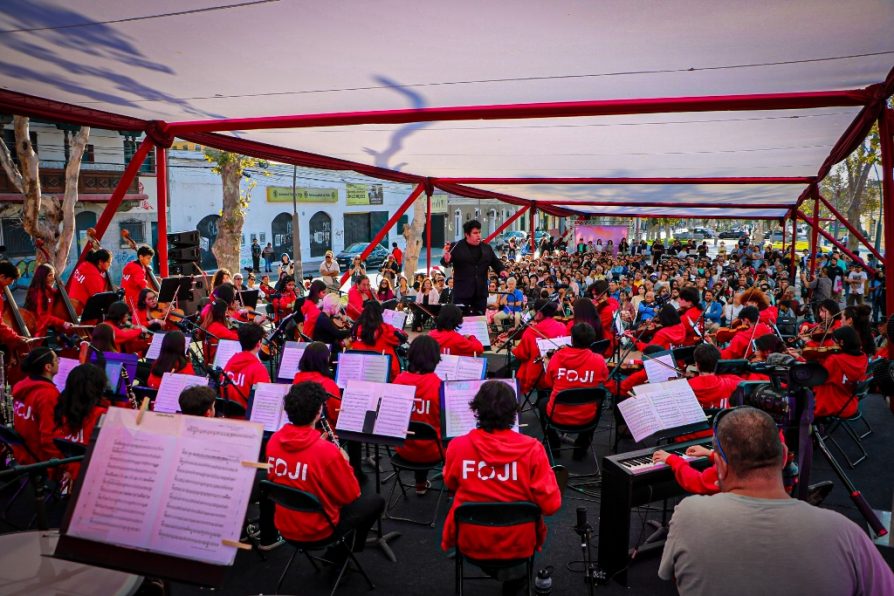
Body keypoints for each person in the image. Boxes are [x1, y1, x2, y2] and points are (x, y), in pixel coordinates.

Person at [659, 407, 894, 595]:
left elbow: (669, 575)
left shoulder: (688, 514)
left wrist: (676, 461)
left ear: (720, 465)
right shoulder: (846, 533)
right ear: (784, 457)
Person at [441, 381, 561, 594]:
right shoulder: (534, 450)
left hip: (471, 538)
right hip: (518, 542)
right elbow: (551, 505)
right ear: (513, 413)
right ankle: (513, 580)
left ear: (476, 410)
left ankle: (504, 573)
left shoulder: (457, 446)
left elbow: (450, 484)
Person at [266, 381, 385, 560]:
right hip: (318, 530)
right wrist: (344, 461)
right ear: (319, 412)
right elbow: (351, 495)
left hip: (285, 525)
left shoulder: (274, 441)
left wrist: (318, 445)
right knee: (376, 501)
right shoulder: (327, 453)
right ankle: (341, 554)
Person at [542, 323, 608, 459]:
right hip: (587, 417)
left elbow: (548, 383)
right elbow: (604, 378)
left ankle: (554, 447)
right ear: (592, 340)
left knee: (542, 402)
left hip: (557, 415)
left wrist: (548, 364)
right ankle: (580, 450)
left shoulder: (557, 357)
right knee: (596, 405)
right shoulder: (599, 360)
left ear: (571, 339)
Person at [41, 363, 108, 483]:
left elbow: (50, 442)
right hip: (87, 480)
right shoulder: (102, 415)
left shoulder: (61, 407)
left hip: (58, 472)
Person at [393, 336, 443, 494]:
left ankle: (420, 483)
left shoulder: (398, 381)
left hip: (403, 448)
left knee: (418, 426)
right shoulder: (439, 386)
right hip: (434, 451)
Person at [440, 220, 505, 315]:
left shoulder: (487, 248)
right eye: (475, 233)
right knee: (461, 321)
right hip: (462, 293)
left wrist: (502, 270)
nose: (478, 235)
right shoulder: (456, 246)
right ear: (467, 234)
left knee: (479, 320)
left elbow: (495, 262)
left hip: (480, 294)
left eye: (479, 232)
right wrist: (446, 260)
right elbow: (445, 262)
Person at [11, 347, 60, 464]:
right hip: (38, 462)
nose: (58, 362)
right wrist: (61, 465)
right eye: (56, 360)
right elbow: (48, 438)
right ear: (48, 367)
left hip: (21, 455)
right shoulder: (48, 395)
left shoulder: (21, 385)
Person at [512, 299, 567, 395]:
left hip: (538, 376)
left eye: (534, 311)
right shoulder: (562, 326)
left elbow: (522, 355)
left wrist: (512, 348)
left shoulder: (531, 331)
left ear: (540, 313)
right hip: (559, 372)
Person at [813, 326, 868, 419]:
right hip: (850, 405)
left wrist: (800, 358)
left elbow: (817, 379)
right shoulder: (863, 357)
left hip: (832, 406)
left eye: (834, 341)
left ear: (842, 342)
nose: (832, 344)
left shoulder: (834, 360)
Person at [222, 322, 270, 412]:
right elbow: (262, 401)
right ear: (259, 343)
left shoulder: (229, 362)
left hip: (227, 415)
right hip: (247, 419)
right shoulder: (259, 369)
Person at [351, 300, 405, 381]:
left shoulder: (356, 328)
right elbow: (400, 338)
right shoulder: (384, 329)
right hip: (384, 371)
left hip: (360, 370)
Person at [292, 342, 341, 423]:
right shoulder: (329, 384)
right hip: (321, 432)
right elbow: (337, 415)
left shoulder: (296, 380)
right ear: (325, 360)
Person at [24, 262, 74, 337]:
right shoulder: (39, 292)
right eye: (50, 275)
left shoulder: (48, 290)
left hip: (42, 329)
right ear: (42, 277)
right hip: (36, 331)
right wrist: (63, 323)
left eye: (53, 275)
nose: (53, 278)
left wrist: (62, 289)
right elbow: (43, 316)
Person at [687, 343, 742, 409]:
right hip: (724, 418)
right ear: (718, 363)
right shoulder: (732, 382)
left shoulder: (687, 386)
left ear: (697, 365)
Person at [67, 249, 112, 315]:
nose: (110, 264)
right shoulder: (94, 275)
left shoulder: (84, 265)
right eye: (108, 262)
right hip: (79, 311)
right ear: (100, 262)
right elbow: (100, 299)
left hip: (70, 305)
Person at [121, 245, 155, 309]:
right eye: (148, 258)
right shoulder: (138, 269)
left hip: (125, 299)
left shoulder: (130, 264)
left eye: (151, 258)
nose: (150, 261)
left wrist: (146, 267)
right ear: (141, 257)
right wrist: (155, 293)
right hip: (134, 301)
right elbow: (143, 286)